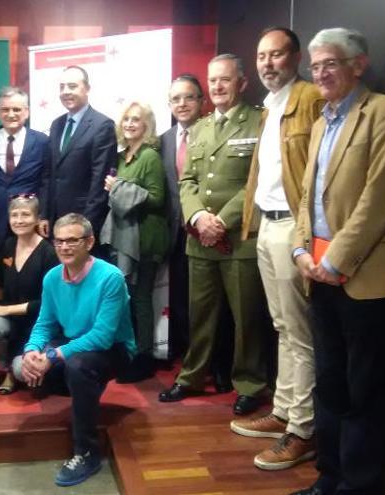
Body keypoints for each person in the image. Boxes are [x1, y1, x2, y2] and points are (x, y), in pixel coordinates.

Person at [289, 28, 385, 495]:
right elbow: (307, 197)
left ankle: (359, 484)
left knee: (367, 389)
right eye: (315, 65)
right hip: (319, 273)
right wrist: (301, 250)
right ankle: (330, 477)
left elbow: (381, 198)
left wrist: (338, 259)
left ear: (358, 65)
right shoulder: (324, 120)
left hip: (370, 277)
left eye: (330, 63)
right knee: (330, 384)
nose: (320, 73)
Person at [230, 27, 325, 472]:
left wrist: (307, 232)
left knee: (300, 332)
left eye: (277, 55)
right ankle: (285, 410)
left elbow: (320, 170)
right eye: (261, 56)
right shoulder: (270, 106)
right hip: (266, 226)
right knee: (283, 326)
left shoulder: (309, 98)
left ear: (297, 56)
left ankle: (302, 431)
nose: (267, 63)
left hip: (294, 227)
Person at [158, 54, 268, 417]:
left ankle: (249, 384)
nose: (218, 87)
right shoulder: (201, 127)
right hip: (199, 239)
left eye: (225, 80)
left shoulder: (259, 122)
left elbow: (258, 178)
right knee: (199, 316)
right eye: (213, 80)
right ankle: (191, 377)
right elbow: (187, 180)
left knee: (246, 319)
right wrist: (197, 217)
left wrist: (221, 220)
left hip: (240, 240)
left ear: (242, 83)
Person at [13, 213, 136, 487]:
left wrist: (55, 355)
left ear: (89, 242)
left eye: (72, 240)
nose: (65, 247)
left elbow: (102, 337)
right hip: (76, 344)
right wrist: (33, 350)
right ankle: (80, 389)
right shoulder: (52, 277)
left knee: (77, 366)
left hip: (114, 350)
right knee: (22, 367)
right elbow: (44, 323)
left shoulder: (111, 277)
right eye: (59, 241)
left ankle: (88, 451)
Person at [161, 74, 234, 392]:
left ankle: (220, 366)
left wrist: (211, 223)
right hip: (176, 235)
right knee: (186, 304)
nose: (182, 104)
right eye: (176, 98)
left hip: (215, 232)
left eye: (189, 97)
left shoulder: (215, 132)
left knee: (220, 305)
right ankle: (194, 363)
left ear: (201, 101)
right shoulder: (162, 140)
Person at [101, 101, 168, 382]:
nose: (129, 124)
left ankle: (144, 358)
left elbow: (157, 198)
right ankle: (128, 353)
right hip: (123, 238)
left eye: (136, 120)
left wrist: (120, 189)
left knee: (141, 298)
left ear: (146, 125)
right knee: (127, 298)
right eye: (126, 119)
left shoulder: (149, 157)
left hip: (145, 240)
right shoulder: (122, 156)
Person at [0, 195, 58, 394]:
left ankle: (19, 369)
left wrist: (5, 309)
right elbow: (1, 275)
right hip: (12, 322)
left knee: (24, 372)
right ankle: (8, 368)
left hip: (38, 324)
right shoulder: (10, 244)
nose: (19, 220)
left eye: (25, 215)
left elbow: (49, 304)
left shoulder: (49, 253)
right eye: (14, 215)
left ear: (37, 219)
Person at [41, 65, 117, 243]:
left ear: (87, 89)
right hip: (55, 220)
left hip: (82, 221)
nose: (66, 91)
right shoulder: (56, 124)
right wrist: (44, 214)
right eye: (62, 87)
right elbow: (49, 174)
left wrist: (86, 226)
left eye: (72, 86)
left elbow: (100, 182)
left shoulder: (102, 125)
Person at [0, 87, 51, 253]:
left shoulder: (42, 142)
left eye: (17, 109)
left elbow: (47, 182)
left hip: (29, 223)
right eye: (5, 109)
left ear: (26, 112)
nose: (11, 114)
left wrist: (43, 215)